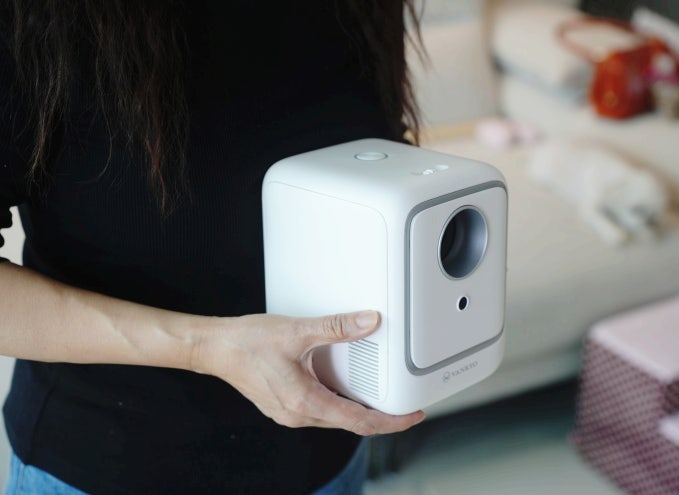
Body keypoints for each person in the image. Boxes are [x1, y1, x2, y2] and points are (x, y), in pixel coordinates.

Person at [0, 1, 426, 493]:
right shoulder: (38, 18)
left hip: (328, 462)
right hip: (110, 466)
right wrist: (207, 347)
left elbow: (376, 148)